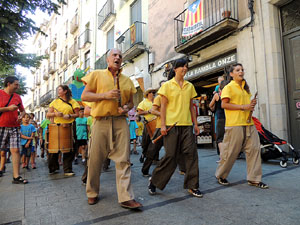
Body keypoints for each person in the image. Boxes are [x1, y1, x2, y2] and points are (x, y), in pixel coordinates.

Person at [81, 48, 142, 209]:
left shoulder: (127, 80)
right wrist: (105, 95)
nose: (118, 57)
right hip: (100, 120)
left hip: (121, 121)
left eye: (120, 56)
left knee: (124, 159)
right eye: (114, 55)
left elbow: (131, 103)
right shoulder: (96, 75)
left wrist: (126, 108)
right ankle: (92, 192)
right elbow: (85, 96)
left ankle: (126, 197)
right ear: (108, 60)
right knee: (94, 159)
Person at [148, 58, 202, 198]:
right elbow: (164, 107)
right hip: (172, 126)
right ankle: (154, 181)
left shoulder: (190, 86)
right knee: (171, 156)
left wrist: (195, 124)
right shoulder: (167, 86)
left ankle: (192, 185)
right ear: (175, 68)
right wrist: (164, 125)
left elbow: (191, 106)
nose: (185, 68)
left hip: (187, 125)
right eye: (182, 66)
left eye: (186, 66)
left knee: (191, 154)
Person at [215, 63, 268, 189]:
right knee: (230, 153)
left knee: (254, 150)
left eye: (242, 70)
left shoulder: (245, 88)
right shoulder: (229, 87)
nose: (241, 72)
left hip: (249, 123)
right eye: (238, 70)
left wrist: (251, 104)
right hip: (234, 125)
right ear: (231, 74)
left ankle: (254, 179)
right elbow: (224, 105)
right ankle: (221, 175)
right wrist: (244, 107)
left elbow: (246, 106)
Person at [47, 85, 80, 176]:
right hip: (56, 126)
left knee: (69, 148)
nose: (58, 91)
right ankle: (53, 167)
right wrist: (56, 113)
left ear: (65, 91)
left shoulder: (73, 102)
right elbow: (48, 114)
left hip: (69, 125)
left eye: (60, 89)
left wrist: (69, 116)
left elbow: (77, 114)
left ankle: (67, 169)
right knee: (54, 148)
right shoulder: (54, 102)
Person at [0, 76, 27, 184]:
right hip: (1, 126)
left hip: (14, 127)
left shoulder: (17, 97)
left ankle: (16, 177)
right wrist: (8, 109)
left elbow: (23, 111)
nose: (18, 87)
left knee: (16, 150)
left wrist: (21, 116)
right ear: (8, 84)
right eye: (16, 84)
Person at [209, 80, 229, 161]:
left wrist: (213, 107)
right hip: (229, 119)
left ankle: (222, 157)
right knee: (226, 138)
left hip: (220, 118)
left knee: (220, 138)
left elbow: (210, 105)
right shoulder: (228, 96)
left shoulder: (217, 95)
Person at [137, 88, 156, 163]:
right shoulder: (143, 102)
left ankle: (155, 158)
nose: (153, 93)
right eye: (151, 92)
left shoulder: (156, 101)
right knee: (146, 141)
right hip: (148, 123)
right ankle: (144, 154)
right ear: (148, 94)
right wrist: (148, 111)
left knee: (156, 141)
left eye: (154, 92)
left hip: (157, 123)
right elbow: (139, 112)